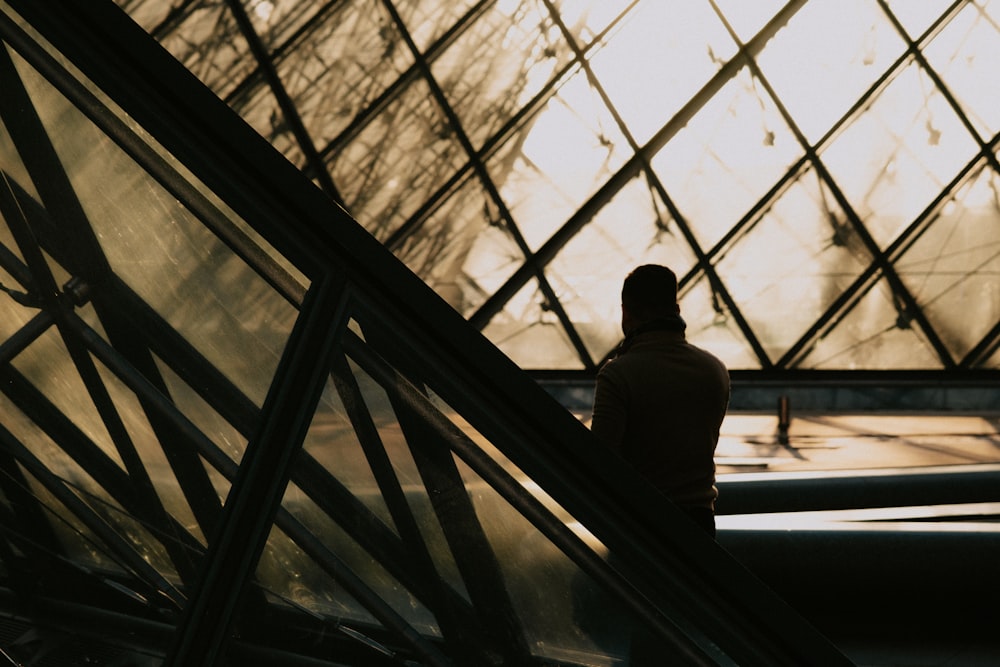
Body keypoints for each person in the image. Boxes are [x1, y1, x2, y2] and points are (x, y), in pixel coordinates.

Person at [591, 264, 730, 537]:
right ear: (677, 311)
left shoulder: (618, 375)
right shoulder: (715, 370)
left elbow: (600, 461)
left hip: (639, 523)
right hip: (700, 524)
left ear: (625, 313)